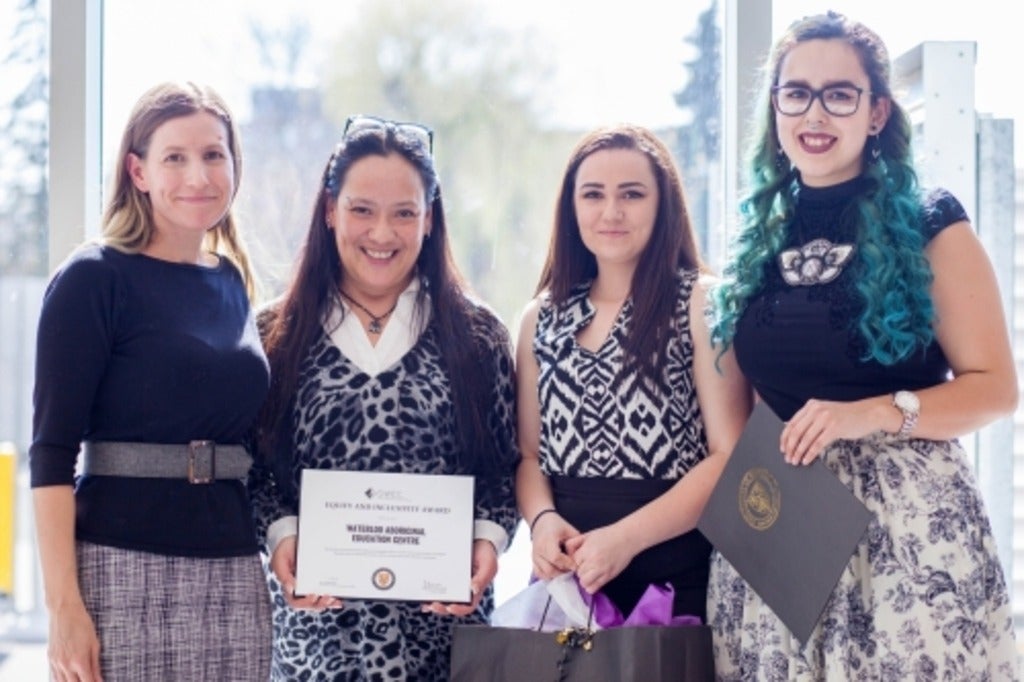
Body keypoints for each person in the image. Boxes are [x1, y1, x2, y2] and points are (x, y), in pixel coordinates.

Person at [706, 11, 1019, 679]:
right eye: (796, 92)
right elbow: (735, 415)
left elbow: (996, 387)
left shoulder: (932, 224)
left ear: (876, 113)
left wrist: (875, 411)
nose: (814, 114)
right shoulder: (754, 241)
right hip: (784, 521)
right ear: (775, 105)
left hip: (910, 535)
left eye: (839, 94)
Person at [252, 114, 519, 680]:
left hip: (445, 645)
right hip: (315, 645)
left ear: (429, 219)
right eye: (362, 210)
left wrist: (486, 549)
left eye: (404, 213)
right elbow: (253, 472)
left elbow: (502, 471)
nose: (382, 233)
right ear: (330, 211)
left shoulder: (479, 338)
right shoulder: (273, 336)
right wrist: (281, 541)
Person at [29, 82, 271, 681]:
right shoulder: (92, 279)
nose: (199, 175)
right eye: (175, 157)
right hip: (119, 570)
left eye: (215, 154)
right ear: (137, 171)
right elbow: (52, 455)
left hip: (235, 576)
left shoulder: (233, 284)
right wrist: (64, 608)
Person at [515, 124, 751, 621]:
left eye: (632, 194)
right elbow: (530, 456)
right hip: (567, 585)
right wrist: (542, 521)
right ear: (571, 207)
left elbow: (729, 454)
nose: (611, 212)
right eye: (593, 194)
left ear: (663, 204)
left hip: (678, 576)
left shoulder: (701, 302)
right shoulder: (541, 316)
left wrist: (626, 539)